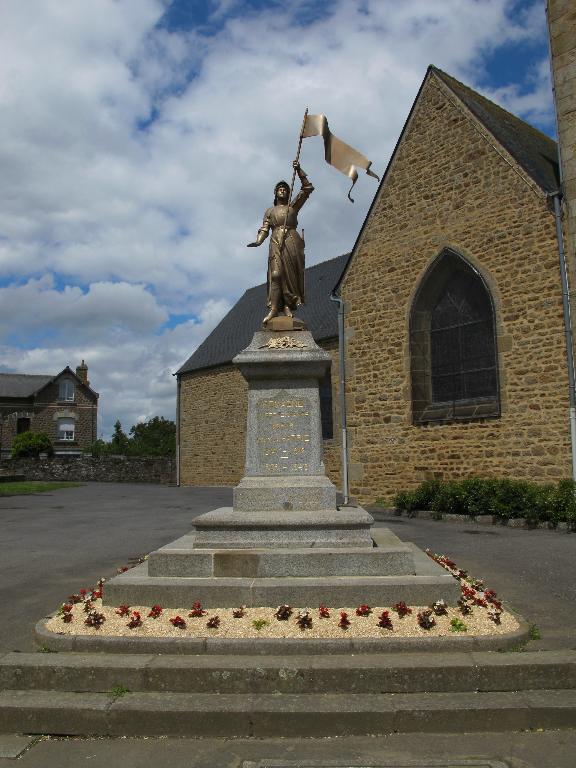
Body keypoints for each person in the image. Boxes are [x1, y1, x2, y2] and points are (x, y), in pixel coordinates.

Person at [247, 161, 313, 323]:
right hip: (276, 240)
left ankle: (287, 306)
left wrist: (299, 171)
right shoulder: (270, 211)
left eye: (285, 189)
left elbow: (307, 189)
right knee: (276, 274)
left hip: (292, 240)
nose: (282, 191)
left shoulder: (293, 207)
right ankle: (274, 308)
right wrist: (258, 241)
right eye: (279, 189)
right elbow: (264, 228)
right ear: (275, 193)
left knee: (290, 276)